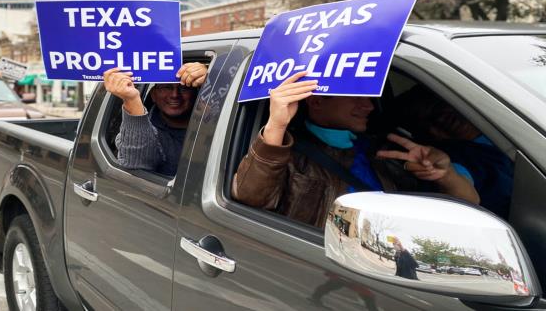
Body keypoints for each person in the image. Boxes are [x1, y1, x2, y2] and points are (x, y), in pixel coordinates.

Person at [231, 71, 479, 228]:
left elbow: (470, 205)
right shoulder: (288, 153)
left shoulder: (392, 149)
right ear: (317, 101)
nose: (369, 106)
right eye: (358, 96)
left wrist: (445, 176)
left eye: (371, 97)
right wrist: (276, 125)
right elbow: (249, 196)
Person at [392, 86, 514, 218]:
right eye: (430, 120)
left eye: (439, 107)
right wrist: (447, 176)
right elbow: (466, 198)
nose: (441, 119)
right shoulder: (449, 157)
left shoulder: (508, 128)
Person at [103, 62, 208, 177]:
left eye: (184, 88)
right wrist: (131, 100)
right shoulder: (139, 132)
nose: (174, 95)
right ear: (153, 95)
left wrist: (210, 81)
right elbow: (136, 164)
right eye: (166, 87)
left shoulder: (214, 122)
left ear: (196, 94)